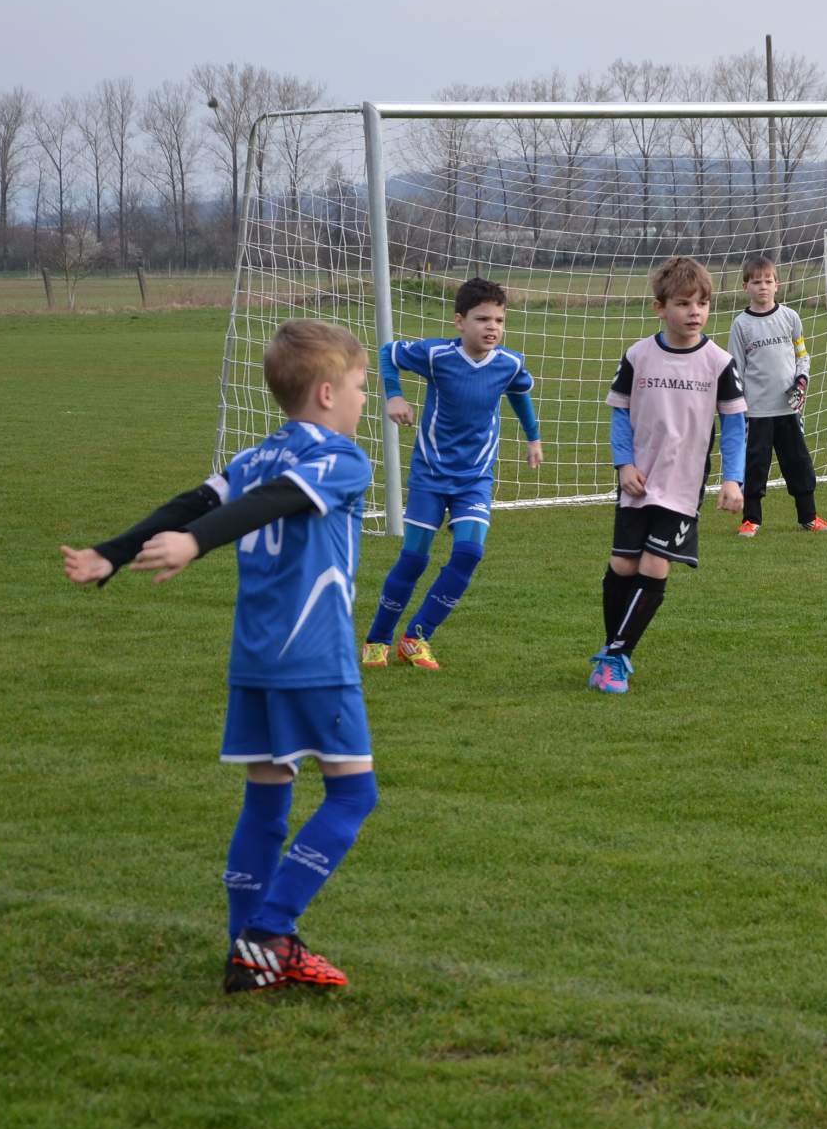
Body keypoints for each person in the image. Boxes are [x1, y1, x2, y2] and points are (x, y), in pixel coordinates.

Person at [61, 319, 378, 992]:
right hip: (313, 656)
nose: (362, 400)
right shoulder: (344, 458)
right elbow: (273, 501)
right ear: (326, 393)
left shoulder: (257, 454)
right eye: (359, 387)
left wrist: (112, 553)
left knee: (267, 799)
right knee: (353, 793)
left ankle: (246, 954)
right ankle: (269, 933)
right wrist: (196, 542)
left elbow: (194, 501)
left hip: (255, 659)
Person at [363, 277, 541, 671]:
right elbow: (389, 353)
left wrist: (534, 438)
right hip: (430, 474)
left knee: (469, 553)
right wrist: (394, 395)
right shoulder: (436, 355)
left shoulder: (509, 363)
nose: (492, 327)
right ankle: (377, 639)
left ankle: (416, 638)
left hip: (475, 478)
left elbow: (519, 393)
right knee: (414, 559)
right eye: (482, 319)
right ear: (460, 321)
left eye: (499, 320)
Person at [587, 257, 746, 694]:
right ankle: (615, 650)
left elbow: (735, 426)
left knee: (655, 564)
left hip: (682, 486)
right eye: (683, 303)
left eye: (703, 304)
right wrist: (623, 464)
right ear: (660, 308)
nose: (695, 312)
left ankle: (615, 658)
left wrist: (733, 479)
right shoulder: (638, 356)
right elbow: (620, 414)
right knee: (623, 564)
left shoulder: (719, 362)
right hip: (638, 480)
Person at [725, 255, 827, 536]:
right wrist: (739, 406)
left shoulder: (790, 317)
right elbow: (736, 368)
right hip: (757, 411)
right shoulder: (741, 325)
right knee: (755, 465)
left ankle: (809, 516)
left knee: (798, 463)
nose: (763, 286)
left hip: (788, 409)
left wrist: (802, 380)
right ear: (746, 287)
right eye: (756, 282)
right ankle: (751, 519)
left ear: (777, 285)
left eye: (768, 281)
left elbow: (802, 355)